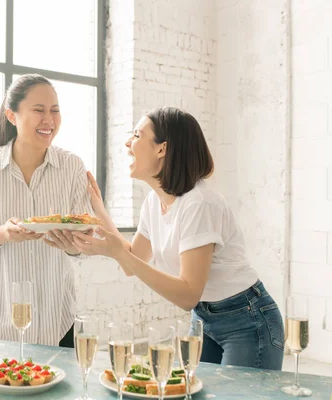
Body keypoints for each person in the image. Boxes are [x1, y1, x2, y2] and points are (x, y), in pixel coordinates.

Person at [71, 106, 284, 370]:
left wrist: (118, 252)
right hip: (205, 319)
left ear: (162, 149)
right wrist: (99, 211)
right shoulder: (154, 201)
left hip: (247, 320)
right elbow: (133, 260)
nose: (127, 143)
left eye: (137, 135)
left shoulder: (199, 204)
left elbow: (187, 295)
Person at [0, 74, 93, 348]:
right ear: (12, 115)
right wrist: (2, 233)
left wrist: (76, 242)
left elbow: (81, 240)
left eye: (55, 111)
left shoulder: (72, 166)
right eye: (39, 110)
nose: (50, 120)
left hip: (57, 315)